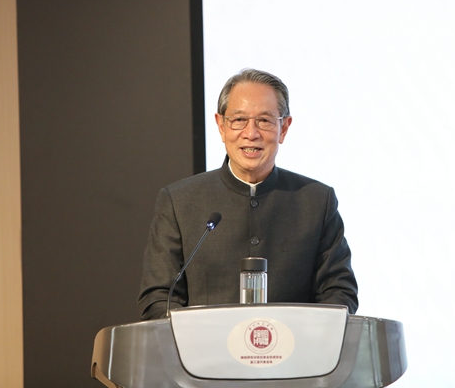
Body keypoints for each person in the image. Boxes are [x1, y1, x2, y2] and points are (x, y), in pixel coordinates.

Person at [138, 69, 358, 319]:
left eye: (264, 121)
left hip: (294, 344)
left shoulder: (316, 201)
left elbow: (339, 291)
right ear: (221, 126)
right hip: (204, 344)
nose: (251, 133)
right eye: (239, 120)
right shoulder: (179, 201)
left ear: (284, 128)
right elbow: (159, 297)